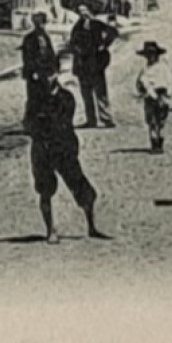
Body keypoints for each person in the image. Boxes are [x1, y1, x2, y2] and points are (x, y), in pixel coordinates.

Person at [24, 75, 106, 244]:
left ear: (56, 74)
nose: (46, 78)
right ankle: (50, 230)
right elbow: (28, 123)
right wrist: (38, 133)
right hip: (42, 149)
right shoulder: (35, 100)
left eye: (49, 73)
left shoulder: (66, 97)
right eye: (42, 73)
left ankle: (92, 226)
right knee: (45, 189)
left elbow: (63, 123)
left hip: (63, 149)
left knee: (81, 186)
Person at [68, 5, 120, 129]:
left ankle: (107, 119)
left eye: (85, 11)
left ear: (89, 11)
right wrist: (77, 50)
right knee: (86, 94)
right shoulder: (77, 27)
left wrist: (104, 45)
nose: (83, 14)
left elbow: (113, 32)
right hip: (83, 66)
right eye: (80, 12)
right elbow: (72, 43)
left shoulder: (97, 24)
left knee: (101, 93)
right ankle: (91, 120)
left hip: (96, 64)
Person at [134, 40, 172, 154]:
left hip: (162, 95)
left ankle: (160, 142)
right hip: (150, 97)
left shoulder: (164, 68)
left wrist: (167, 94)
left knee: (161, 121)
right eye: (148, 55)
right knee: (151, 121)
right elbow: (141, 82)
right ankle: (154, 143)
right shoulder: (145, 70)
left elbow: (169, 82)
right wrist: (143, 91)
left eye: (153, 54)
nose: (151, 57)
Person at [19, 11, 60, 115]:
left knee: (46, 95)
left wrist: (55, 69)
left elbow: (51, 54)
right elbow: (28, 57)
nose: (42, 26)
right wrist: (33, 71)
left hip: (46, 71)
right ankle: (32, 122)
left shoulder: (45, 36)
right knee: (34, 96)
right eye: (40, 24)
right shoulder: (29, 38)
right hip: (35, 72)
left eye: (43, 23)